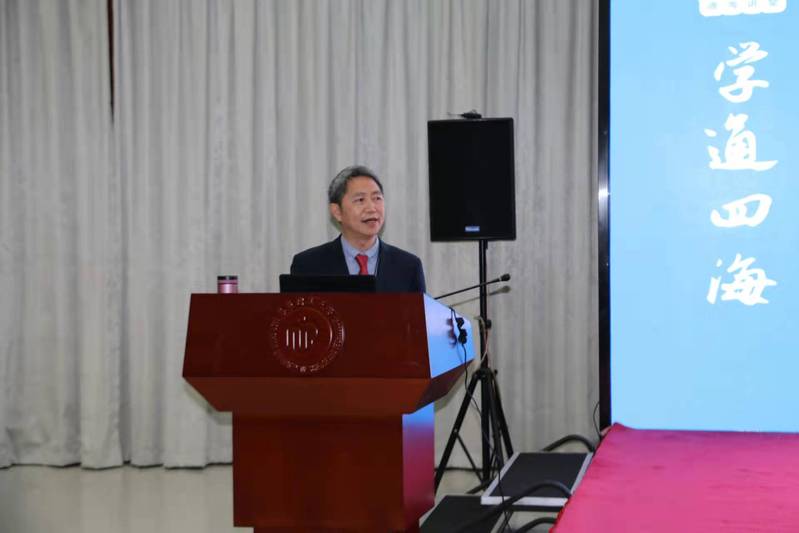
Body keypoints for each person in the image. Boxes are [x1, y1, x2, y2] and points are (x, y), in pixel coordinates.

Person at [290, 165, 426, 293]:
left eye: (377, 198)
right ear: (337, 211)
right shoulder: (308, 266)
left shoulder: (408, 267)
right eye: (360, 200)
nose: (372, 208)